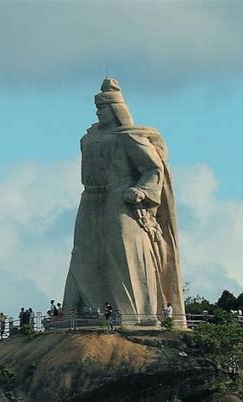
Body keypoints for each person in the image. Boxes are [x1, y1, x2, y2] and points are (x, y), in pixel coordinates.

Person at [62, 77, 186, 327]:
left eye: (103, 107)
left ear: (116, 109)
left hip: (120, 198)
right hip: (90, 199)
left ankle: (136, 314)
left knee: (124, 249)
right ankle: (85, 312)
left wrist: (141, 190)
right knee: (83, 252)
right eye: (97, 108)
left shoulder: (129, 136)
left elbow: (153, 168)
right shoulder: (89, 138)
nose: (98, 112)